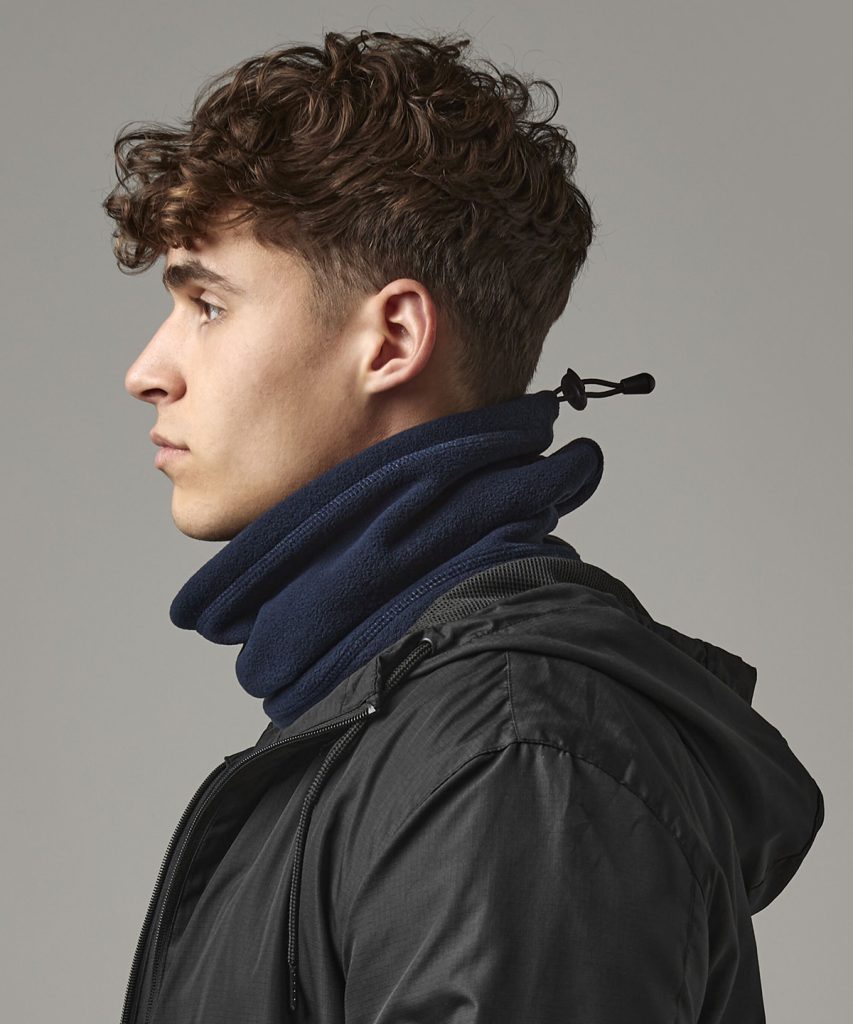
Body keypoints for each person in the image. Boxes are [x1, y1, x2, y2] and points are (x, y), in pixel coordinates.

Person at [103, 28, 824, 1024]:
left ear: (392, 338)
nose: (146, 370)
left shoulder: (513, 756)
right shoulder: (391, 730)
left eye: (208, 305)